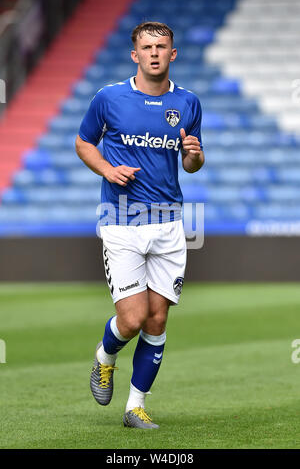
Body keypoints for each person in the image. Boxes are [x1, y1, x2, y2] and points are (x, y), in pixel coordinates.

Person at [75, 21, 204, 429]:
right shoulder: (108, 98)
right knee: (131, 320)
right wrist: (108, 170)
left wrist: (195, 155)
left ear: (172, 54)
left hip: (169, 223)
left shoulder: (188, 103)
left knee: (158, 320)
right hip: (122, 219)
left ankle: (135, 406)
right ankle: (105, 356)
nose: (153, 53)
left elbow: (191, 163)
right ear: (135, 54)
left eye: (161, 46)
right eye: (146, 47)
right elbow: (83, 142)